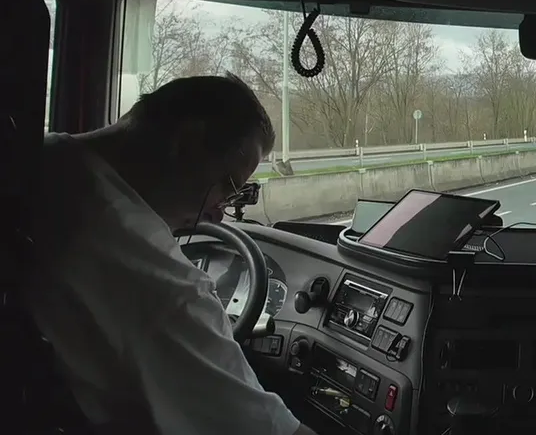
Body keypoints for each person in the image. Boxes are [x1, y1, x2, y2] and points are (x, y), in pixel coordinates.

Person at [22, 74, 317, 435]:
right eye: (227, 187)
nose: (218, 214)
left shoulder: (44, 158)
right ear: (188, 143)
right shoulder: (160, 285)